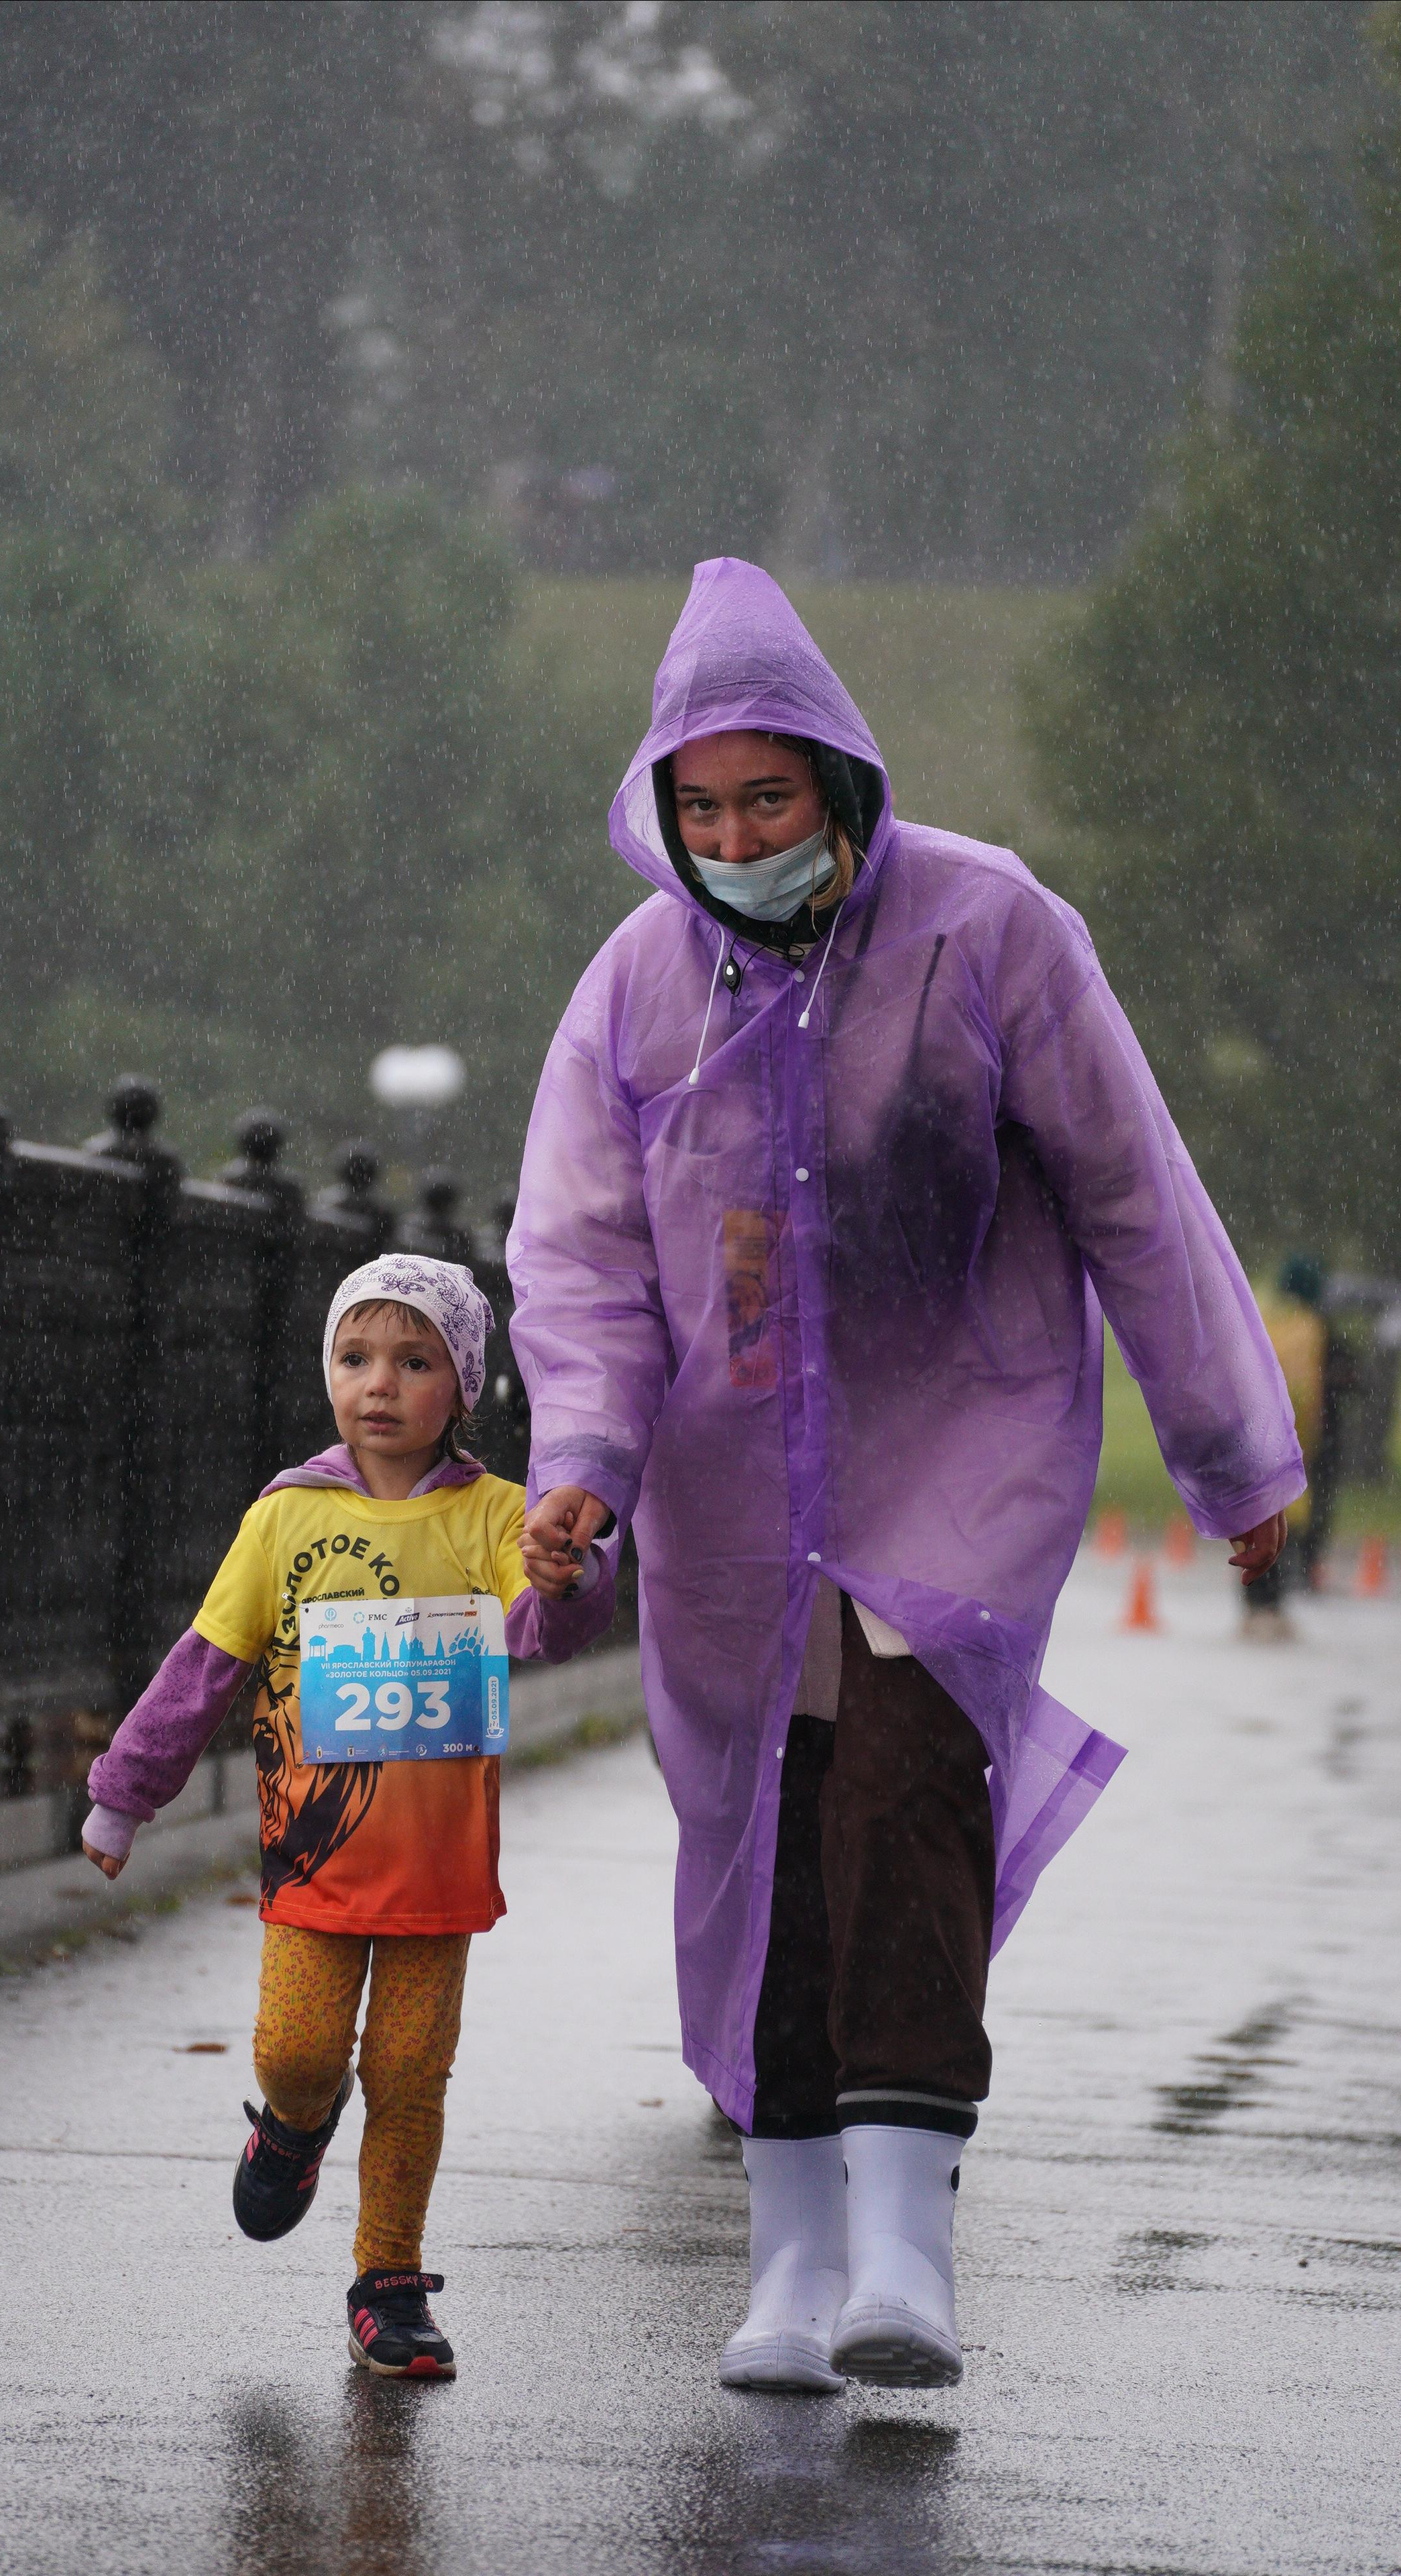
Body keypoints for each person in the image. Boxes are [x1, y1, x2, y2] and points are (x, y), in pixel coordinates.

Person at [509, 558, 1300, 2394]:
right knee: (771, 1833)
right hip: (727, 1482)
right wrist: (588, 1460)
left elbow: (1130, 1186)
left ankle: (904, 2241)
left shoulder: (992, 930)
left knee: (908, 1784)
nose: (735, 839)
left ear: (840, 783)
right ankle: (789, 2261)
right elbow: (579, 1257)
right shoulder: (640, 987)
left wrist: (1232, 1446)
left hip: (965, 1439)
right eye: (698, 810)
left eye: (766, 800)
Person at [81, 1253, 612, 2379]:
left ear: (463, 1387)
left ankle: (388, 2281)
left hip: (438, 1873)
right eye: (356, 1357)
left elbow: (545, 1624)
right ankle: (292, 2124)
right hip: (314, 1861)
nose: (380, 1384)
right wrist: (126, 1796)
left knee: (413, 2074)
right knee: (298, 2048)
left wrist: (568, 1578)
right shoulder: (285, 1519)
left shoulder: (494, 1516)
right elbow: (205, 1670)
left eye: (414, 1362)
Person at [1245, 1252, 1359, 1636]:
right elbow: (1340, 1378)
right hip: (1306, 1439)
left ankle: (1257, 1602)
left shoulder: (1259, 1314)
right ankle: (1276, 1599)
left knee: (1260, 1517)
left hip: (1256, 1437)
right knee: (1294, 1520)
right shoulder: (1315, 1327)